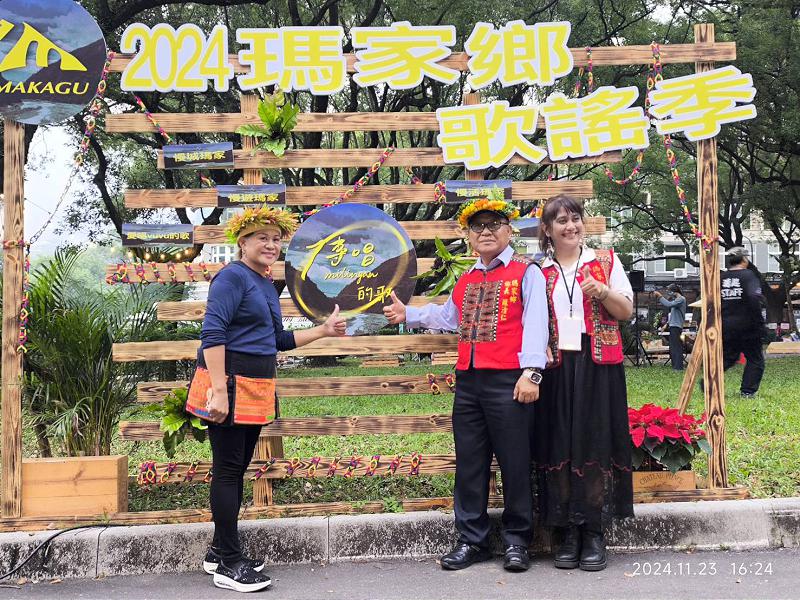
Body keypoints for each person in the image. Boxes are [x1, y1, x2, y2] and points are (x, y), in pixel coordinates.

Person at [185, 205, 347, 593]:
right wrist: (219, 391)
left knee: (237, 469)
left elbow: (277, 340)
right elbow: (213, 335)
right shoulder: (231, 277)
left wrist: (323, 330)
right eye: (262, 238)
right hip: (228, 383)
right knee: (228, 470)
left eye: (276, 239)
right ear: (242, 242)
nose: (271, 245)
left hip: (257, 385)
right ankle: (229, 563)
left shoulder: (264, 282)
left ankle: (218, 551)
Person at [383, 198, 549, 572]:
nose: (486, 231)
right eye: (478, 226)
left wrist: (532, 372)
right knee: (470, 463)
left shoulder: (527, 272)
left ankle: (517, 541)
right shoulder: (468, 278)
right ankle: (472, 540)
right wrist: (408, 313)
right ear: (469, 236)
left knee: (515, 462)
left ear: (509, 230)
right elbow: (448, 317)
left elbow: (538, 324)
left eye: (494, 224)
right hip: (470, 381)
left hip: (510, 380)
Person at [533, 195, 634, 572]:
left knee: (595, 440)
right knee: (559, 441)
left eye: (575, 218)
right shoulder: (537, 270)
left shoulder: (605, 261)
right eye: (561, 221)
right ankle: (567, 531)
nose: (570, 226)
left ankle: (593, 530)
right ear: (548, 229)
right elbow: (530, 320)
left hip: (597, 364)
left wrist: (603, 292)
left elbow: (626, 311)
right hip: (556, 365)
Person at [721, 246, 766, 397]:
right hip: (749, 326)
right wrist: (759, 322)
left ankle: (709, 382)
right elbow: (754, 297)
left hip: (726, 325)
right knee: (755, 359)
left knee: (729, 358)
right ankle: (748, 391)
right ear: (744, 259)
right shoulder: (749, 275)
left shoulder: (721, 277)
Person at [654, 283, 687, 370]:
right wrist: (666, 325)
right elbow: (673, 315)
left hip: (676, 326)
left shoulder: (681, 299)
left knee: (676, 347)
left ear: (674, 291)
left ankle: (678, 367)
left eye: (669, 291)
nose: (669, 293)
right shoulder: (676, 300)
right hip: (673, 326)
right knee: (673, 347)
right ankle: (675, 366)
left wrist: (660, 296)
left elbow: (668, 304)